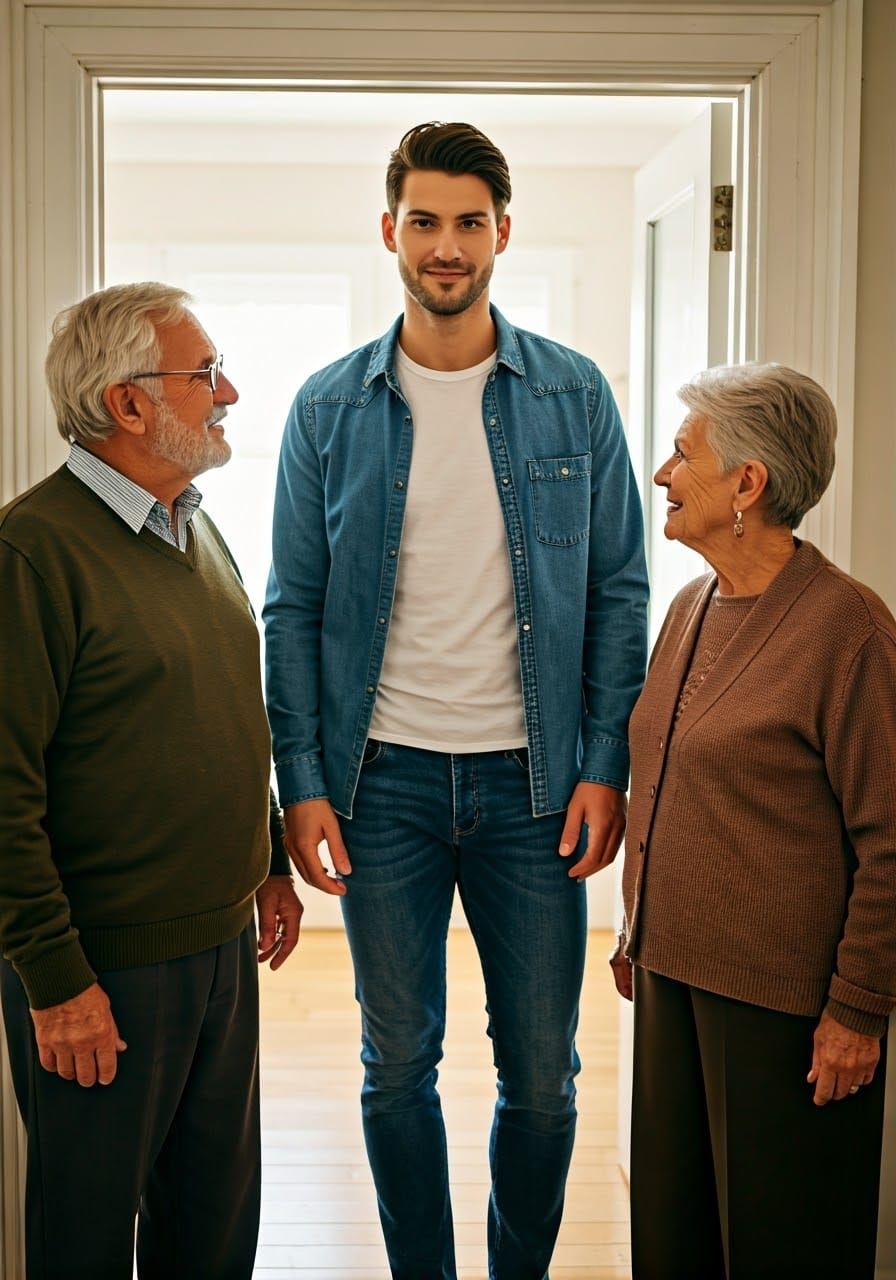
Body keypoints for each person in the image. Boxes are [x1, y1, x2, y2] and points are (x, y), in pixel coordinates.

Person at [264, 121, 648, 1279]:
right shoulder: (326, 411)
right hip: (379, 784)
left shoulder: (573, 395)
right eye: (423, 221)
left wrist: (603, 761)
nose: (445, 246)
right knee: (396, 1064)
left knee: (541, 1072)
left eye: (467, 223)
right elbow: (288, 605)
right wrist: (303, 782)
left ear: (501, 234)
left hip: (535, 787)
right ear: (389, 230)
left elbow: (621, 587)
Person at [0, 282, 303, 1280]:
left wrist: (262, 859)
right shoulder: (30, 552)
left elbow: (214, 707)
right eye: (203, 372)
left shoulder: (191, 523)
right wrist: (56, 982)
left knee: (213, 1228)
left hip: (219, 950)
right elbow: (3, 793)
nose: (231, 391)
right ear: (126, 403)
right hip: (103, 971)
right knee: (87, 1238)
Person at [613, 362, 896, 1280]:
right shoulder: (691, 607)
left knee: (785, 1249)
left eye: (681, 454)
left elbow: (891, 839)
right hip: (668, 981)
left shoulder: (849, 631)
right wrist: (635, 928)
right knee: (673, 1238)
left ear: (748, 483)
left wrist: (857, 1010)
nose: (661, 473)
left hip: (786, 1013)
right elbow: (665, 781)